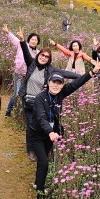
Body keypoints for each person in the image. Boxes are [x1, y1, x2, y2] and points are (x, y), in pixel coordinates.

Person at [31, 60, 100, 199]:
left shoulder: (61, 94)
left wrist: (92, 72)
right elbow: (42, 118)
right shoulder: (39, 98)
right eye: (53, 82)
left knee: (43, 162)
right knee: (44, 162)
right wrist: (50, 132)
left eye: (59, 83)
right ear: (48, 82)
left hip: (52, 135)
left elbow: (77, 83)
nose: (56, 85)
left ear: (62, 85)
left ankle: (38, 183)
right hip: (38, 135)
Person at [16, 27, 79, 161]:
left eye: (47, 57)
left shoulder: (51, 70)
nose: (43, 58)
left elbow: (66, 73)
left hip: (41, 102)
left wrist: (82, 76)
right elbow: (26, 52)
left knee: (42, 122)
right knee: (30, 125)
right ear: (38, 55)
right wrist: (22, 41)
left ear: (49, 59)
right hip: (27, 100)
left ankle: (44, 146)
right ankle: (31, 150)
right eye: (42, 55)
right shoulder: (31, 64)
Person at [3, 24, 40, 117]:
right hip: (19, 74)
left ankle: (21, 113)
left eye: (36, 40)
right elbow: (14, 39)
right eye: (32, 39)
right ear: (29, 40)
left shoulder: (38, 53)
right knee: (17, 93)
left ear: (38, 42)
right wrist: (8, 32)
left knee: (26, 94)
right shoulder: (22, 45)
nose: (34, 41)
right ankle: (9, 110)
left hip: (29, 76)